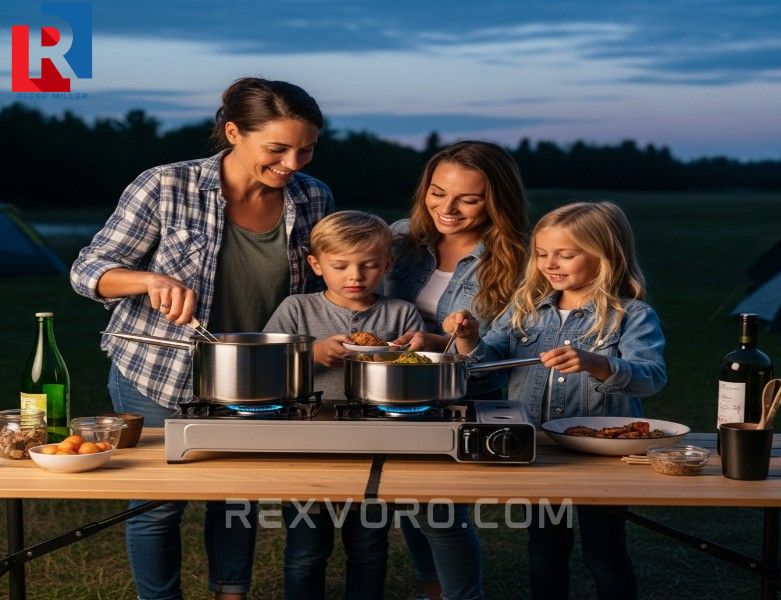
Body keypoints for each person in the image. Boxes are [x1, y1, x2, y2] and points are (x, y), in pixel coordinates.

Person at [70, 77, 334, 600]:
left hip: (258, 375)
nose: (293, 164)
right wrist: (148, 280)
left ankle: (228, 594)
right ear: (233, 132)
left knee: (236, 496)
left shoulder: (312, 197)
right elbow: (88, 270)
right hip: (158, 370)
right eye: (277, 149)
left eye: (305, 149)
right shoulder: (165, 186)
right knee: (157, 502)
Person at [444, 201, 667, 600]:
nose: (550, 263)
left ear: (605, 255)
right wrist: (467, 337)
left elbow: (651, 377)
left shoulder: (631, 315)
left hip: (604, 457)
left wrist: (598, 364)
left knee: (605, 555)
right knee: (546, 551)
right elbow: (484, 365)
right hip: (539, 451)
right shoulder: (526, 310)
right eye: (543, 254)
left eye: (566, 254)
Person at [384, 141, 530, 600]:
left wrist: (442, 344)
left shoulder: (516, 260)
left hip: (466, 395)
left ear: (496, 200)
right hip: (398, 393)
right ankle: (433, 589)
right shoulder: (401, 237)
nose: (446, 209)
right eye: (437, 191)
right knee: (407, 500)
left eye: (468, 198)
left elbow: (500, 354)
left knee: (438, 510)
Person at [263, 210, 425, 599]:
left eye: (369, 265)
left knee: (369, 546)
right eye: (341, 266)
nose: (355, 276)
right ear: (317, 265)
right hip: (308, 444)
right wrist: (311, 354)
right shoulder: (296, 309)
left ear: (388, 264)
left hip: (376, 442)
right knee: (306, 548)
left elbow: (417, 372)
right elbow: (267, 368)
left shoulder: (401, 314)